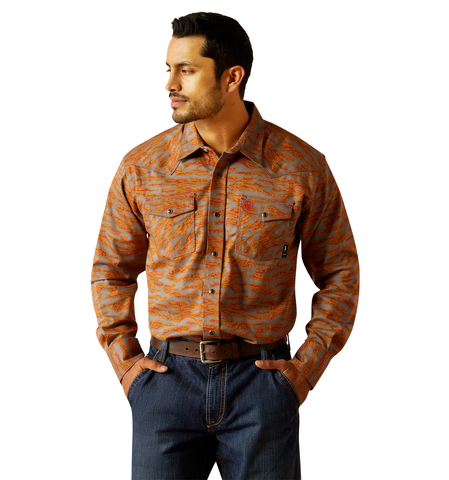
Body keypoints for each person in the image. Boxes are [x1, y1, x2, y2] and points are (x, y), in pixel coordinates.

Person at [92, 11, 359, 480]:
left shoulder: (301, 168)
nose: (170, 84)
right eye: (169, 69)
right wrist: (127, 365)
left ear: (232, 77)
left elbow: (340, 273)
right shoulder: (143, 167)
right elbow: (111, 270)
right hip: (165, 384)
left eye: (187, 70)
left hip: (263, 386)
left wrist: (304, 371)